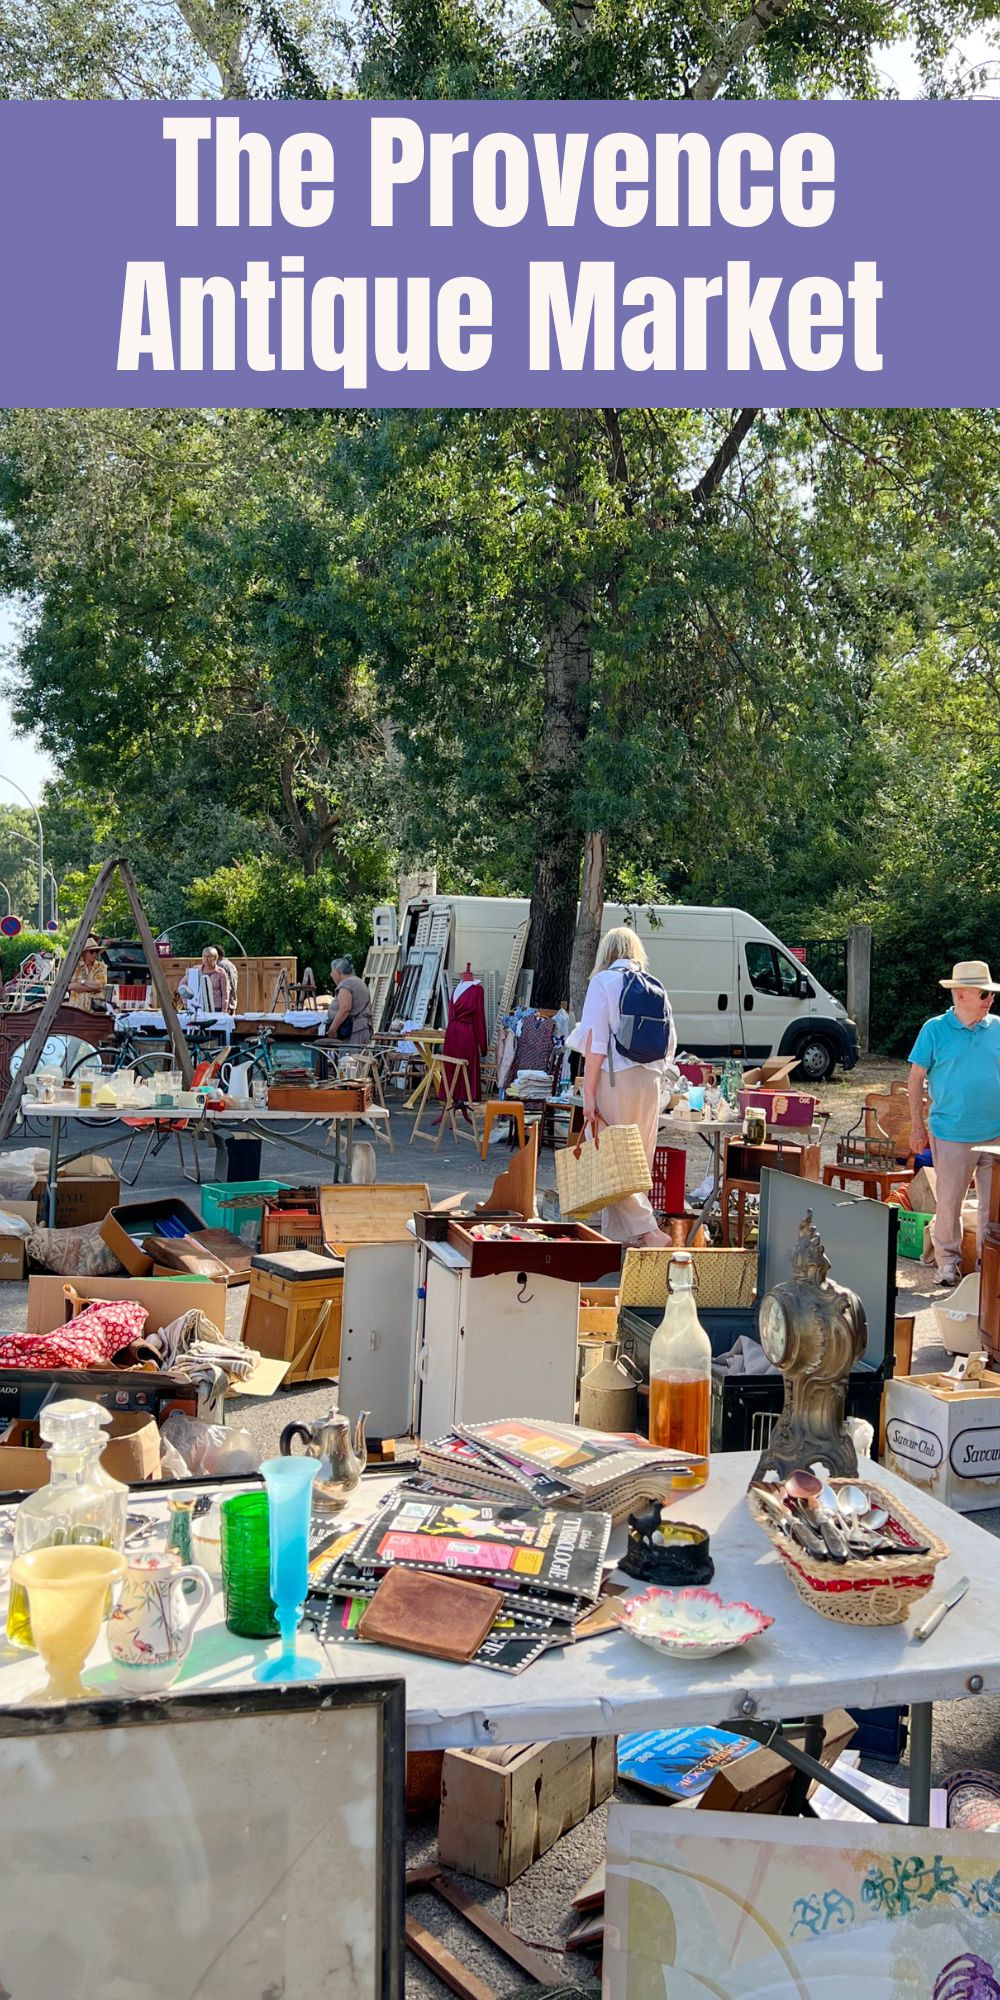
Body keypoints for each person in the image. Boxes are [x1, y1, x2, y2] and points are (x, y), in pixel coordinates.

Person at [575, 926, 678, 1247]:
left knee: (611, 1159)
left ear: (606, 953)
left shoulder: (603, 982)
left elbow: (595, 1043)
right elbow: (671, 1044)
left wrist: (588, 1095)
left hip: (615, 1078)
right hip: (650, 1081)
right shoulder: (655, 985)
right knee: (637, 1161)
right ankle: (622, 1244)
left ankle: (648, 1231)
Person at [907, 958, 1000, 1288]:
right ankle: (947, 1263)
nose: (990, 999)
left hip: (995, 1134)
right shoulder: (935, 1029)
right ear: (961, 995)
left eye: (991, 993)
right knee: (949, 1203)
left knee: (994, 1208)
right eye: (984, 993)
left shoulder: (998, 1027)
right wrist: (917, 1127)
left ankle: (988, 1267)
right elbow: (915, 1079)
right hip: (951, 1132)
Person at [324, 957, 373, 1048]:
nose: (331, 975)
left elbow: (345, 1009)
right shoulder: (358, 981)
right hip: (363, 1029)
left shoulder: (346, 984)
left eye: (332, 972)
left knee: (350, 1057)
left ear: (338, 972)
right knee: (360, 1057)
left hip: (353, 1031)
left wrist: (332, 1030)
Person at [178, 946, 230, 1014]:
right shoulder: (195, 970)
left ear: (215, 958)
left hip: (216, 1008)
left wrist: (224, 1011)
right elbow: (182, 985)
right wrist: (185, 1001)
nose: (206, 959)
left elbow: (225, 993)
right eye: (204, 956)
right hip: (197, 1007)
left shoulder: (221, 972)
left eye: (209, 956)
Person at [68, 936, 108, 1012]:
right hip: (76, 1008)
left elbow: (100, 985)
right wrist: (93, 987)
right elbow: (71, 986)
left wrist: (82, 982)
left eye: (96, 951)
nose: (94, 954)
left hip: (95, 1009)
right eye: (91, 952)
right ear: (84, 953)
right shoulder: (76, 966)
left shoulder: (101, 966)